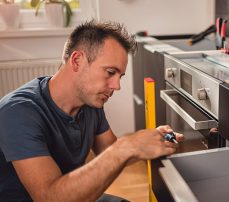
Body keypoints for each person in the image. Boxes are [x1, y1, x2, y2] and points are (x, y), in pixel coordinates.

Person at [0, 20, 184, 202]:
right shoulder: (18, 112)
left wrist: (149, 141)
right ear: (77, 60)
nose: (117, 86)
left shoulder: (90, 103)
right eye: (110, 72)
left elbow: (109, 150)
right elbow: (49, 198)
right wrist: (126, 146)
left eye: (120, 76)